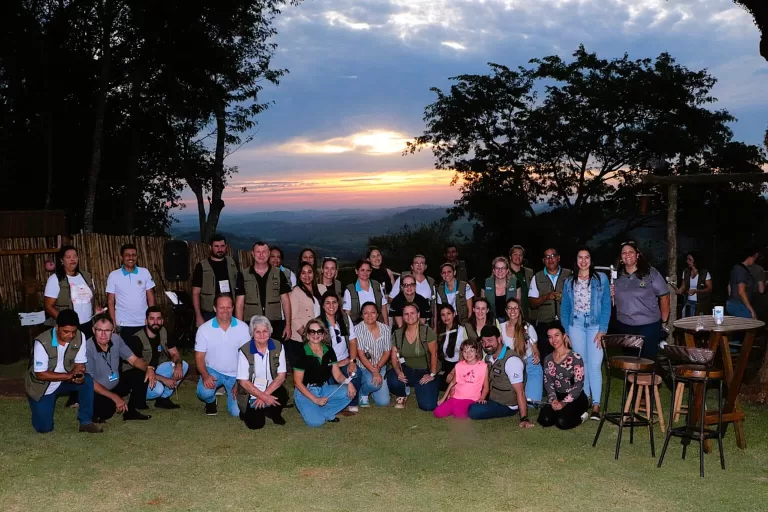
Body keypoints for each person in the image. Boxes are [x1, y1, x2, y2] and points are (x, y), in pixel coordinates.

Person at [25, 310, 101, 433]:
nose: (70, 335)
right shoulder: (42, 342)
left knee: (86, 380)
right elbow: (41, 374)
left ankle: (86, 422)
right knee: (44, 428)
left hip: (64, 381)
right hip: (41, 387)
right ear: (57, 328)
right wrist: (69, 376)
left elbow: (80, 363)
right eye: (66, 331)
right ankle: (37, 405)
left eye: (73, 331)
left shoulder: (80, 336)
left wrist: (79, 374)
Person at [560, 247, 611, 420]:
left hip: (595, 325)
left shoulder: (600, 279)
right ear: (576, 260)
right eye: (580, 257)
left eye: (587, 257)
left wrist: (603, 330)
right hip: (576, 325)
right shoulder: (569, 281)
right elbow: (565, 307)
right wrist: (566, 331)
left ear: (591, 259)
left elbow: (606, 305)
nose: (583, 261)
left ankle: (596, 405)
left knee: (595, 365)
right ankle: (585, 400)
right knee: (582, 364)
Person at [86, 314, 152, 423]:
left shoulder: (116, 339)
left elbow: (134, 360)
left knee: (140, 374)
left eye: (107, 330)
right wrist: (115, 397)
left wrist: (148, 368)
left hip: (115, 383)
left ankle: (131, 411)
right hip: (98, 390)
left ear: (112, 331)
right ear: (93, 330)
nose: (103, 334)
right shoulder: (87, 347)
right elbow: (89, 382)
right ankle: (97, 409)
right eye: (99, 330)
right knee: (106, 411)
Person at [612, 241, 670, 361]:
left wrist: (664, 321)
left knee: (646, 362)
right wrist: (611, 295)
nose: (627, 255)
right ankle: (631, 380)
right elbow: (615, 302)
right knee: (629, 362)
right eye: (624, 253)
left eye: (631, 252)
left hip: (648, 326)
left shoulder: (650, 273)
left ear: (637, 254)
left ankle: (651, 379)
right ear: (621, 257)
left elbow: (664, 296)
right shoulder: (617, 276)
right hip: (624, 326)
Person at [467, 325, 534, 428]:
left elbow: (520, 391)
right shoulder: (488, 357)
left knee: (473, 411)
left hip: (506, 404)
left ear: (500, 339)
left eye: (490, 340)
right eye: (483, 342)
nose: (486, 344)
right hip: (492, 398)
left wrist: (524, 418)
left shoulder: (511, 360)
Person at [292, 319, 355, 427]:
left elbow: (337, 374)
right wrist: (315, 399)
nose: (315, 335)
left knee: (348, 392)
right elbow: (297, 382)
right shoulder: (301, 352)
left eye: (319, 331)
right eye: (312, 331)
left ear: (323, 335)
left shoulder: (329, 350)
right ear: (307, 335)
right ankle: (317, 410)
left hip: (324, 389)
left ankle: (324, 412)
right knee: (317, 423)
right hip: (305, 392)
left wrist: (349, 383)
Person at [196, 295, 251, 417]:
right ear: (215, 308)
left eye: (228, 307)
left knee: (237, 413)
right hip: (213, 371)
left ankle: (232, 397)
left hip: (236, 374)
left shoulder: (243, 328)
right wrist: (205, 376)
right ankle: (210, 402)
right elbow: (199, 357)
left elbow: (248, 357)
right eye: (221, 307)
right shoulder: (204, 329)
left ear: (233, 308)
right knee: (204, 392)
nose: (225, 311)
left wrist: (240, 381)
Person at [126, 306, 188, 409]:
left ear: (162, 321)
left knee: (183, 365)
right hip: (140, 375)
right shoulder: (137, 338)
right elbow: (139, 368)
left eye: (158, 319)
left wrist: (178, 365)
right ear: (146, 321)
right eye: (152, 319)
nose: (156, 322)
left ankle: (163, 399)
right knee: (158, 389)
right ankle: (135, 395)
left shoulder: (164, 331)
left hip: (157, 370)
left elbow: (175, 353)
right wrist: (164, 380)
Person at [236, 315, 288, 429]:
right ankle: (246, 411)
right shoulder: (244, 350)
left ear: (270, 332)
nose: (262, 335)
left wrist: (264, 395)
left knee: (283, 394)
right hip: (251, 391)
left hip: (271, 388)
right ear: (252, 333)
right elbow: (243, 382)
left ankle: (274, 413)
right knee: (256, 425)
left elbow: (281, 376)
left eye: (265, 331)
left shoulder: (278, 346)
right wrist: (262, 396)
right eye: (257, 332)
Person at [387, 303, 440, 411]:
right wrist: (398, 371)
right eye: (406, 314)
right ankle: (402, 393)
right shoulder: (397, 333)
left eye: (412, 313)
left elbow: (434, 354)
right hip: (406, 369)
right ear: (402, 316)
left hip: (424, 371)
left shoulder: (426, 332)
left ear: (418, 314)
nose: (409, 316)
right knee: (393, 380)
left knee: (428, 406)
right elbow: (394, 357)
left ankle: (426, 388)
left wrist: (431, 374)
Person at [236, 241, 292, 341]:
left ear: (269, 253)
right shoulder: (243, 275)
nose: (261, 255)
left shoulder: (279, 274)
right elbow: (239, 304)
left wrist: (288, 325)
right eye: (258, 252)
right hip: (252, 324)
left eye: (264, 252)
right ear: (252, 254)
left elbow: (285, 301)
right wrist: (239, 328)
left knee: (275, 353)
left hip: (275, 323)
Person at [537, 324, 589, 430]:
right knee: (545, 420)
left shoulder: (575, 358)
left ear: (564, 336)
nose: (553, 339)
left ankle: (582, 416)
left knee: (562, 422)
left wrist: (564, 403)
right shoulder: (547, 359)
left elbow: (579, 385)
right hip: (557, 395)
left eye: (557, 335)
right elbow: (548, 382)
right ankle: (560, 412)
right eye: (550, 337)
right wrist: (553, 399)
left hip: (575, 397)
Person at [317, 290, 362, 413]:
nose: (331, 306)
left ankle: (352, 402)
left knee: (355, 373)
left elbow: (353, 341)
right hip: (327, 364)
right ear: (322, 305)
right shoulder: (318, 323)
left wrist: (352, 361)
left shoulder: (345, 319)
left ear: (339, 304)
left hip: (346, 360)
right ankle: (340, 403)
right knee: (332, 386)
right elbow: (317, 350)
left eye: (334, 302)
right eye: (328, 303)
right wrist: (336, 363)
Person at [44, 245, 100, 339]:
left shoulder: (86, 276)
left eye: (75, 256)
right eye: (68, 257)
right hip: (68, 328)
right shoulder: (55, 279)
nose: (72, 259)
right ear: (62, 260)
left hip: (88, 324)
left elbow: (90, 298)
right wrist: (65, 322)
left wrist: (96, 310)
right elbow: (48, 306)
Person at [528, 248, 572, 361]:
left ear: (558, 258)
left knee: (566, 355)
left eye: (553, 256)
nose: (550, 259)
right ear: (543, 260)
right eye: (547, 257)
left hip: (565, 322)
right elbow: (532, 303)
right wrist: (546, 297)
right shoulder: (537, 277)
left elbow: (578, 299)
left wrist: (566, 299)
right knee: (546, 357)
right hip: (544, 324)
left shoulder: (569, 274)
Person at [106, 243, 156, 340]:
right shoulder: (114, 275)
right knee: (125, 353)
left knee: (144, 352)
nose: (131, 258)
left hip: (143, 321)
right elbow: (110, 301)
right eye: (127, 255)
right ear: (121, 257)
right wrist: (113, 322)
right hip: (123, 323)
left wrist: (151, 318)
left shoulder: (144, 272)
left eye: (133, 255)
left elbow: (150, 297)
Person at [192, 234, 243, 327]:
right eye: (216, 246)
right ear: (210, 247)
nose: (220, 249)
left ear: (226, 247)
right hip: (210, 313)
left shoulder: (232, 263)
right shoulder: (202, 266)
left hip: (230, 311)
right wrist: (198, 316)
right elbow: (195, 293)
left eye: (222, 246)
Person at [500, 298, 543, 407]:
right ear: (506, 311)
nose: (512, 311)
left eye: (515, 308)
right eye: (509, 308)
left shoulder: (528, 328)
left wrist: (537, 356)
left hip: (528, 365)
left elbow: (535, 350)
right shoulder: (500, 328)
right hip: (509, 367)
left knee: (531, 403)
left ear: (520, 310)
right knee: (511, 402)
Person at [434, 339, 488, 419]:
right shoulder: (459, 366)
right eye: (465, 351)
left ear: (476, 352)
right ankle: (453, 407)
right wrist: (443, 399)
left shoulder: (483, 366)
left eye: (471, 351)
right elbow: (452, 382)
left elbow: (486, 387)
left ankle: (459, 409)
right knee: (437, 412)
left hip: (471, 399)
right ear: (462, 353)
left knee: (458, 414)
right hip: (456, 397)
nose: (468, 354)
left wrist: (482, 398)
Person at [353, 302, 392, 407]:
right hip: (364, 366)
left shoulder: (386, 329)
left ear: (378, 314)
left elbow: (387, 352)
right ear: (362, 315)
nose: (370, 315)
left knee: (383, 402)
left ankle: (372, 389)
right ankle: (364, 392)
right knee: (372, 384)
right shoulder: (357, 329)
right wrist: (374, 372)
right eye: (366, 313)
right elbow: (361, 355)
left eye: (373, 312)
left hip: (380, 364)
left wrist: (378, 368)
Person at [391, 255, 437, 325]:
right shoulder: (402, 278)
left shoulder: (431, 282)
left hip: (425, 323)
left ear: (425, 267)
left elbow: (434, 306)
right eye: (416, 263)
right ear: (412, 266)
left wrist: (434, 326)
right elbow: (390, 299)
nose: (419, 265)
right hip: (405, 322)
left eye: (422, 263)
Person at [289, 262, 327, 345]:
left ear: (314, 273)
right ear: (299, 275)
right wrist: (306, 336)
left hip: (319, 335)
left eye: (309, 272)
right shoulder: (295, 292)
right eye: (303, 273)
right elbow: (294, 318)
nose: (307, 275)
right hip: (302, 339)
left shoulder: (322, 289)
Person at [343, 259, 389, 324]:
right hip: (358, 325)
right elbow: (347, 313)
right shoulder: (350, 290)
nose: (365, 273)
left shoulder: (377, 286)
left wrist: (387, 326)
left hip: (377, 324)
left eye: (368, 270)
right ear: (356, 271)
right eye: (362, 270)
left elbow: (383, 307)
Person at [436, 304, 469, 389]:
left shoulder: (462, 330)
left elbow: (465, 354)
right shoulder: (440, 330)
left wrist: (453, 371)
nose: (446, 317)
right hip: (445, 363)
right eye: (443, 315)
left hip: (459, 363)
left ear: (454, 314)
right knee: (436, 382)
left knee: (453, 383)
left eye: (448, 313)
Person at [726, 246, 761, 320]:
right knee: (752, 323)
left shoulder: (736, 267)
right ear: (749, 257)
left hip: (733, 304)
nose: (754, 260)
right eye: (754, 258)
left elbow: (729, 287)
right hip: (739, 305)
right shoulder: (741, 270)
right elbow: (741, 292)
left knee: (739, 329)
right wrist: (751, 310)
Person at [482, 256, 520, 322]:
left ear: (507, 270)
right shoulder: (486, 283)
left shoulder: (515, 283)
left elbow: (518, 305)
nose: (500, 271)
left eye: (503, 268)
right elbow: (482, 305)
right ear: (493, 270)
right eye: (497, 268)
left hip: (511, 319)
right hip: (491, 320)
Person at [676, 251, 713, 318]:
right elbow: (683, 286)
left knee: (697, 324)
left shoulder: (704, 273)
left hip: (700, 303)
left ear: (696, 260)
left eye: (690, 259)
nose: (687, 261)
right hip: (688, 301)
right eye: (687, 259)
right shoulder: (686, 272)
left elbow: (709, 289)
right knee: (685, 321)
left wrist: (696, 291)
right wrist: (680, 290)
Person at [509, 245, 535, 317]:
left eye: (520, 255)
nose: (518, 257)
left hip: (526, 314)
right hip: (510, 314)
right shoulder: (504, 273)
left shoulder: (529, 272)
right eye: (515, 254)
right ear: (510, 257)